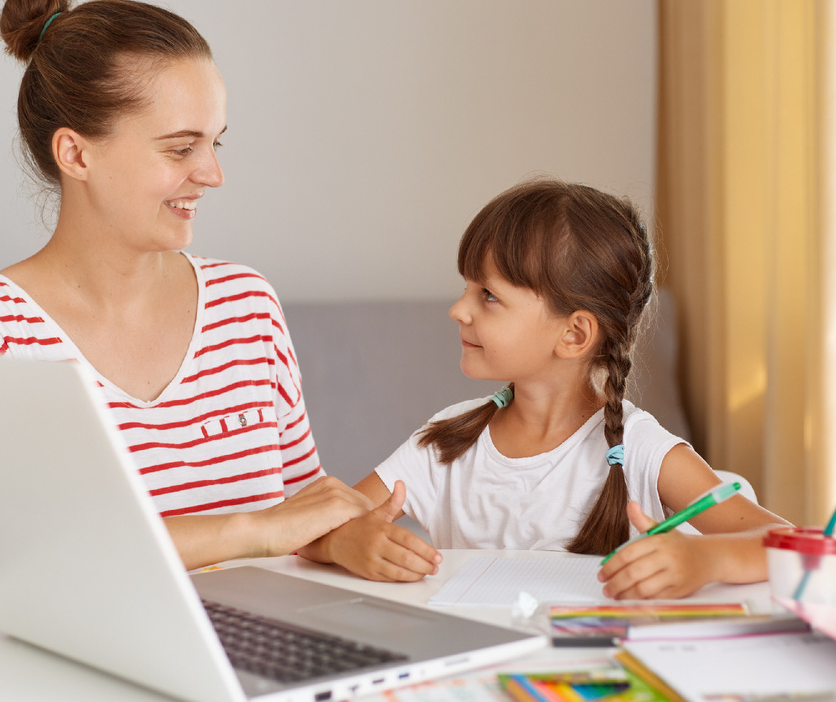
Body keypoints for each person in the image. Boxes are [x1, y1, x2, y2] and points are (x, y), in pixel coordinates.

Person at [0, 0, 377, 625]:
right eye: (180, 147)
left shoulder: (247, 304)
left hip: (269, 644)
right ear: (76, 153)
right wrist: (252, 529)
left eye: (216, 142)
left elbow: (302, 511)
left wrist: (350, 536)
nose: (212, 173)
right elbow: (32, 561)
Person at [299, 178, 791, 598]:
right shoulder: (445, 444)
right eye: (467, 287)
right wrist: (343, 542)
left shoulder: (641, 451)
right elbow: (306, 529)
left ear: (573, 334)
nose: (458, 309)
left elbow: (790, 543)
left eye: (488, 295)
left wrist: (704, 560)